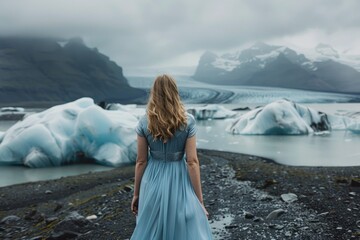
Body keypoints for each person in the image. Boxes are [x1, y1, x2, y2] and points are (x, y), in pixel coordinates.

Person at [130, 74, 213, 240]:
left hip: (152, 177)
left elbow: (141, 161)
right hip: (179, 177)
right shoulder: (187, 121)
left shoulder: (144, 121)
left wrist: (136, 194)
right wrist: (199, 201)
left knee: (152, 226)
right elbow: (192, 161)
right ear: (175, 92)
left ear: (154, 93)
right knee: (181, 226)